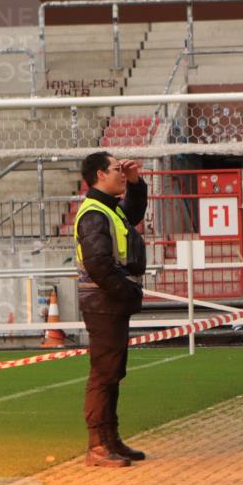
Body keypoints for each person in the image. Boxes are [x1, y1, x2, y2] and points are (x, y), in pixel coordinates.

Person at [74, 152, 148, 467]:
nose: (122, 173)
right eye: (117, 169)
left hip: (109, 301)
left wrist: (136, 183)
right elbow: (98, 264)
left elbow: (133, 213)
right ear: (100, 175)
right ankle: (98, 446)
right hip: (103, 301)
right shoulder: (94, 213)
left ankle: (110, 439)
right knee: (104, 373)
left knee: (113, 372)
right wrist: (127, 292)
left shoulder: (107, 207)